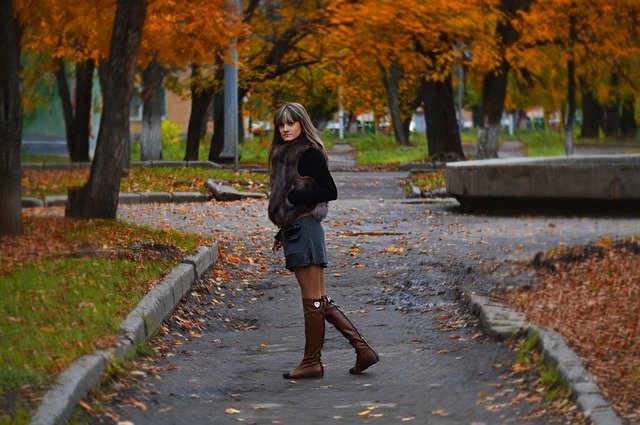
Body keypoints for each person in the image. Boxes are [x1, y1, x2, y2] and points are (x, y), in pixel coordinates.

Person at [268, 102, 379, 379]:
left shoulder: (307, 155)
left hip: (305, 231)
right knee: (319, 300)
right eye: (281, 124)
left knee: (312, 301)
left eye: (290, 123)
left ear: (301, 123)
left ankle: (311, 362)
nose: (285, 129)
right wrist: (281, 231)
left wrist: (295, 199)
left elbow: (330, 190)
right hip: (297, 230)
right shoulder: (285, 155)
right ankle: (363, 351)